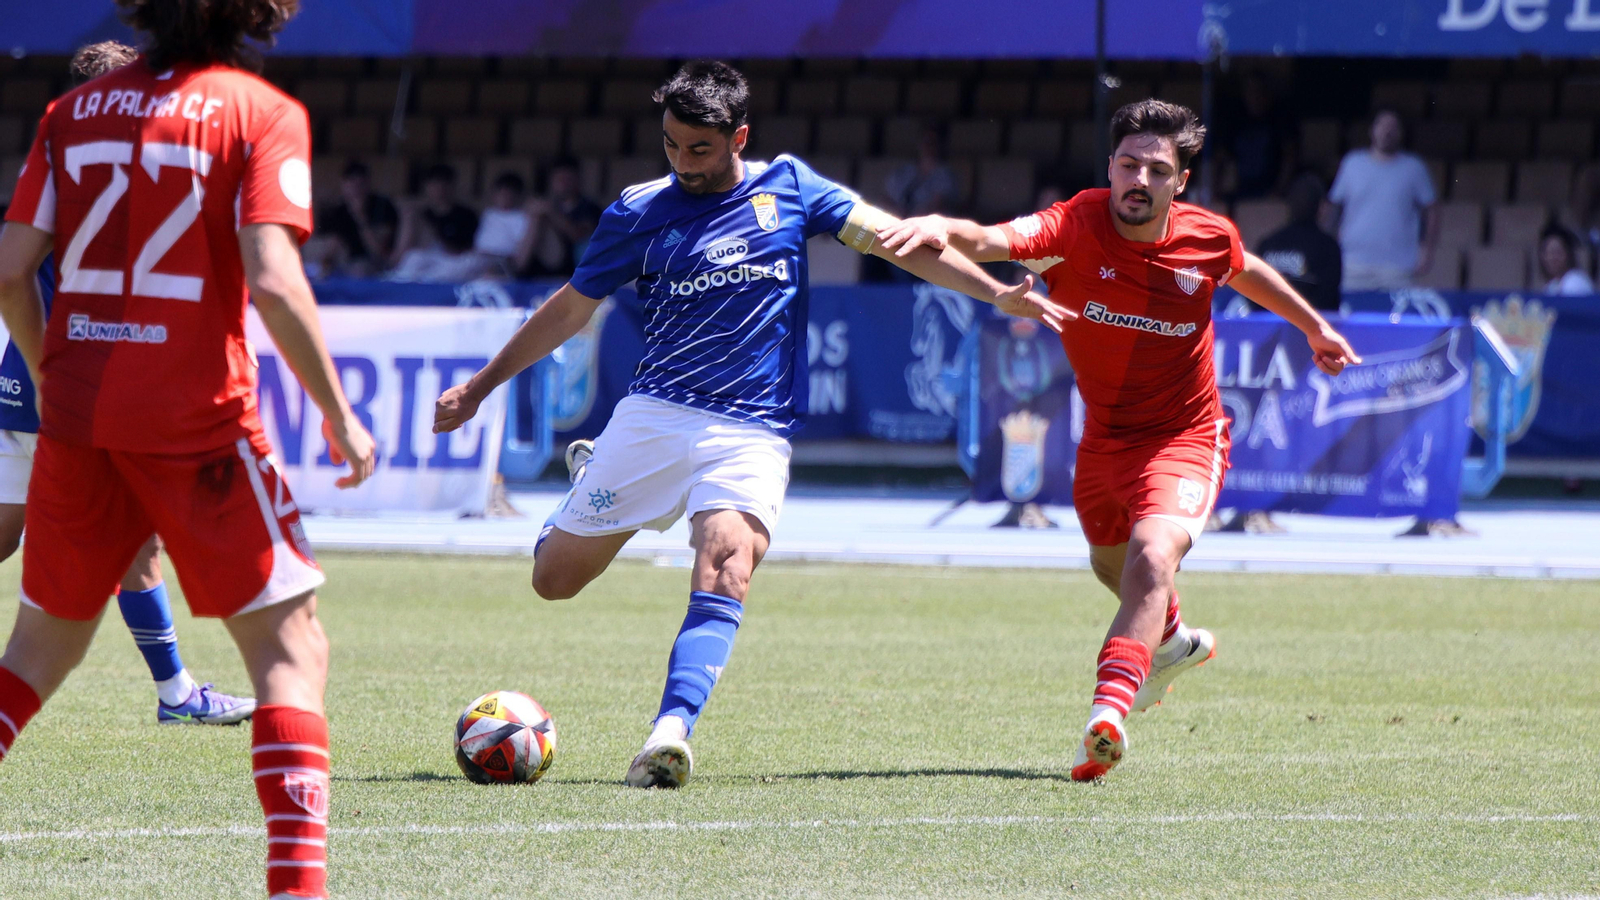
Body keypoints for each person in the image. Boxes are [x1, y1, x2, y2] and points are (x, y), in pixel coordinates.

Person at [434, 60, 1067, 789]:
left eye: (698, 150)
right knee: (554, 582)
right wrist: (482, 387)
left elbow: (901, 243)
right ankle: (589, 479)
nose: (682, 164)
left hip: (750, 429)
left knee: (729, 557)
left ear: (740, 136)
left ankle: (669, 734)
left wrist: (995, 293)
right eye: (670, 146)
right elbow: (572, 308)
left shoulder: (792, 188)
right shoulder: (638, 212)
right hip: (655, 416)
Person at [0, 3, 377, 898]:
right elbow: (276, 283)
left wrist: (55, 381)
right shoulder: (259, 110)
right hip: (194, 416)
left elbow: (12, 267)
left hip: (82, 412)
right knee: (294, 653)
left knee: (33, 661)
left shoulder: (71, 116)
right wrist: (338, 412)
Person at [877, 99, 1360, 781]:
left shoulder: (1207, 237)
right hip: (1104, 442)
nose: (1138, 178)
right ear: (1110, 166)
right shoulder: (1073, 223)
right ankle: (1170, 642)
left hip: (1187, 436)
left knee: (1153, 556)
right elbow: (988, 239)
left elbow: (1245, 268)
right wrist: (938, 224)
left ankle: (1106, 719)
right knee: (1118, 572)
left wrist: (1313, 327)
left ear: (1179, 182)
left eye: (1156, 169)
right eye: (1128, 164)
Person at [0, 40, 257, 726]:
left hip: (22, 387)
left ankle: (177, 694)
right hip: (89, 392)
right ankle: (177, 696)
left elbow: (14, 267)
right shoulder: (141, 169)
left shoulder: (57, 162)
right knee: (135, 544)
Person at [1326, 108, 1439, 291]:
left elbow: (1432, 209)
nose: (1387, 131)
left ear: (1401, 133)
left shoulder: (1414, 167)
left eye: (1393, 127)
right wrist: (1328, 246)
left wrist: (1427, 250)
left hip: (1397, 269)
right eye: (1382, 125)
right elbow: (1334, 208)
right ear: (1372, 130)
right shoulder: (1352, 163)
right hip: (1352, 266)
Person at [1257, 172, 1343, 312]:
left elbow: (1252, 295)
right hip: (1308, 328)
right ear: (1321, 207)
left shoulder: (1266, 244)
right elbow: (1328, 301)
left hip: (1269, 331)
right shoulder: (1328, 248)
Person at [389, 163, 483, 283]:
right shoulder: (423, 214)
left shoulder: (467, 214)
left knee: (473, 262)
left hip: (454, 262)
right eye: (435, 184)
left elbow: (469, 249)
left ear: (453, 186)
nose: (440, 189)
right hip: (430, 260)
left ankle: (423, 280)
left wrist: (437, 239)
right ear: (427, 187)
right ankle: (400, 278)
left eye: (444, 184)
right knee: (414, 257)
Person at [516, 158, 602, 279]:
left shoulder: (589, 207)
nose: (563, 184)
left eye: (567, 179)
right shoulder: (545, 206)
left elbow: (579, 236)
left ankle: (517, 271)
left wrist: (550, 212)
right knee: (536, 217)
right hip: (541, 262)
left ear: (577, 180)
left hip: (571, 266)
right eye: (559, 180)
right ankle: (517, 271)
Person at [316, 159, 398, 277]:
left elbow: (379, 251)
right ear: (343, 184)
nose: (356, 188)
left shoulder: (382, 206)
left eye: (360, 184)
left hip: (375, 264)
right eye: (351, 182)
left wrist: (360, 217)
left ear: (368, 183)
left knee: (360, 269)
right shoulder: (338, 211)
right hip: (345, 263)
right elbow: (331, 247)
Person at [474, 171, 532, 275]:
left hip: (502, 260)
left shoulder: (520, 217)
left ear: (517, 195)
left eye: (508, 194)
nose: (503, 196)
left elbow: (519, 248)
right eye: (500, 193)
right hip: (478, 256)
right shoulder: (488, 213)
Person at [1538, 224, 1595, 296]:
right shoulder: (1551, 287)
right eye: (1547, 253)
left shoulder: (1576, 281)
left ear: (1568, 254)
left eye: (1556, 252)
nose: (1551, 258)